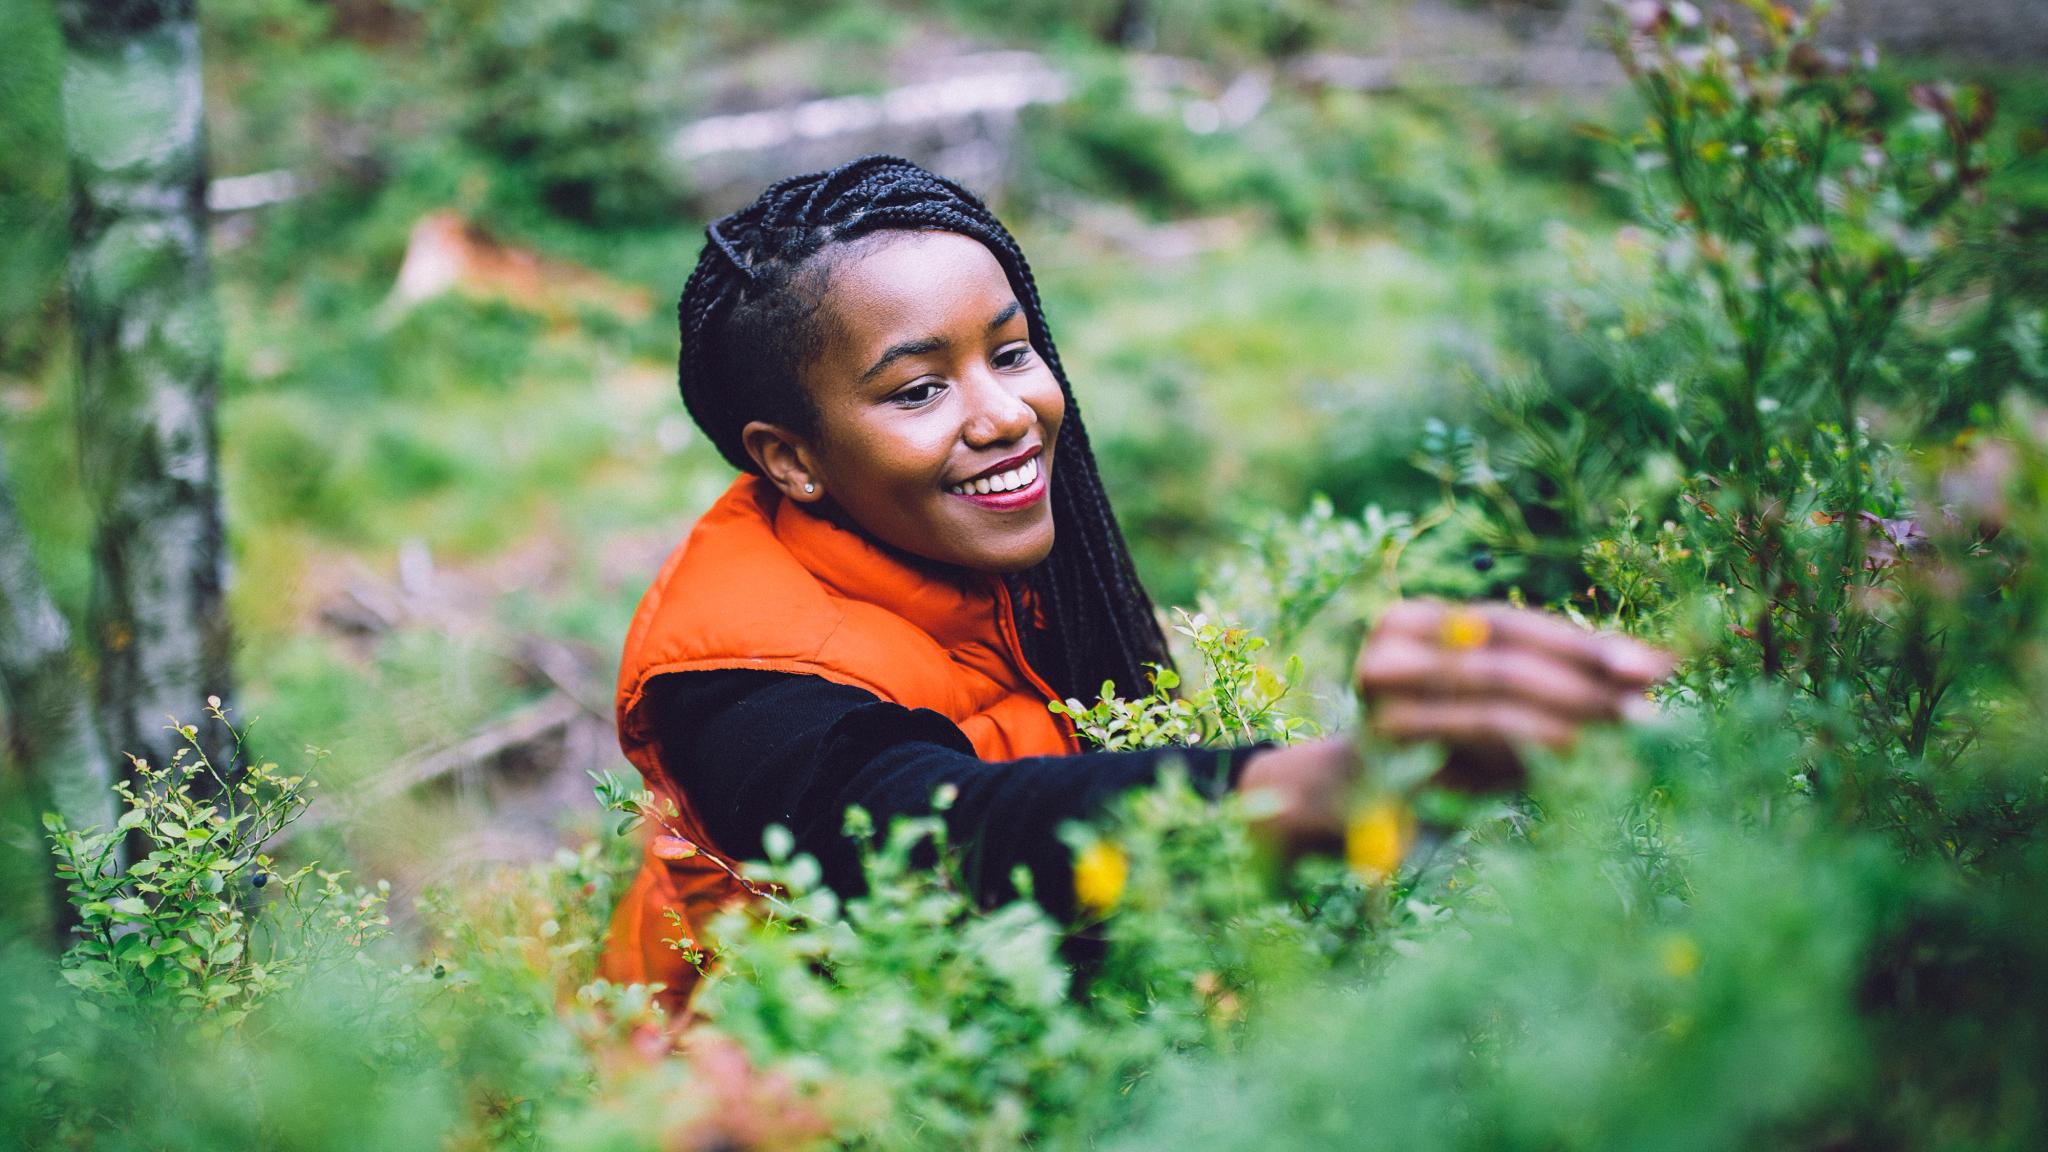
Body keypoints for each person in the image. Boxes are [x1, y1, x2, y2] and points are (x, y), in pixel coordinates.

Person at [598, 155, 1667, 1007]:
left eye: (1010, 353)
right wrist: (1314, 790)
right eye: (919, 389)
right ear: (789, 459)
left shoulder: (963, 547)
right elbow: (930, 832)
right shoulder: (732, 679)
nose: (1003, 414)